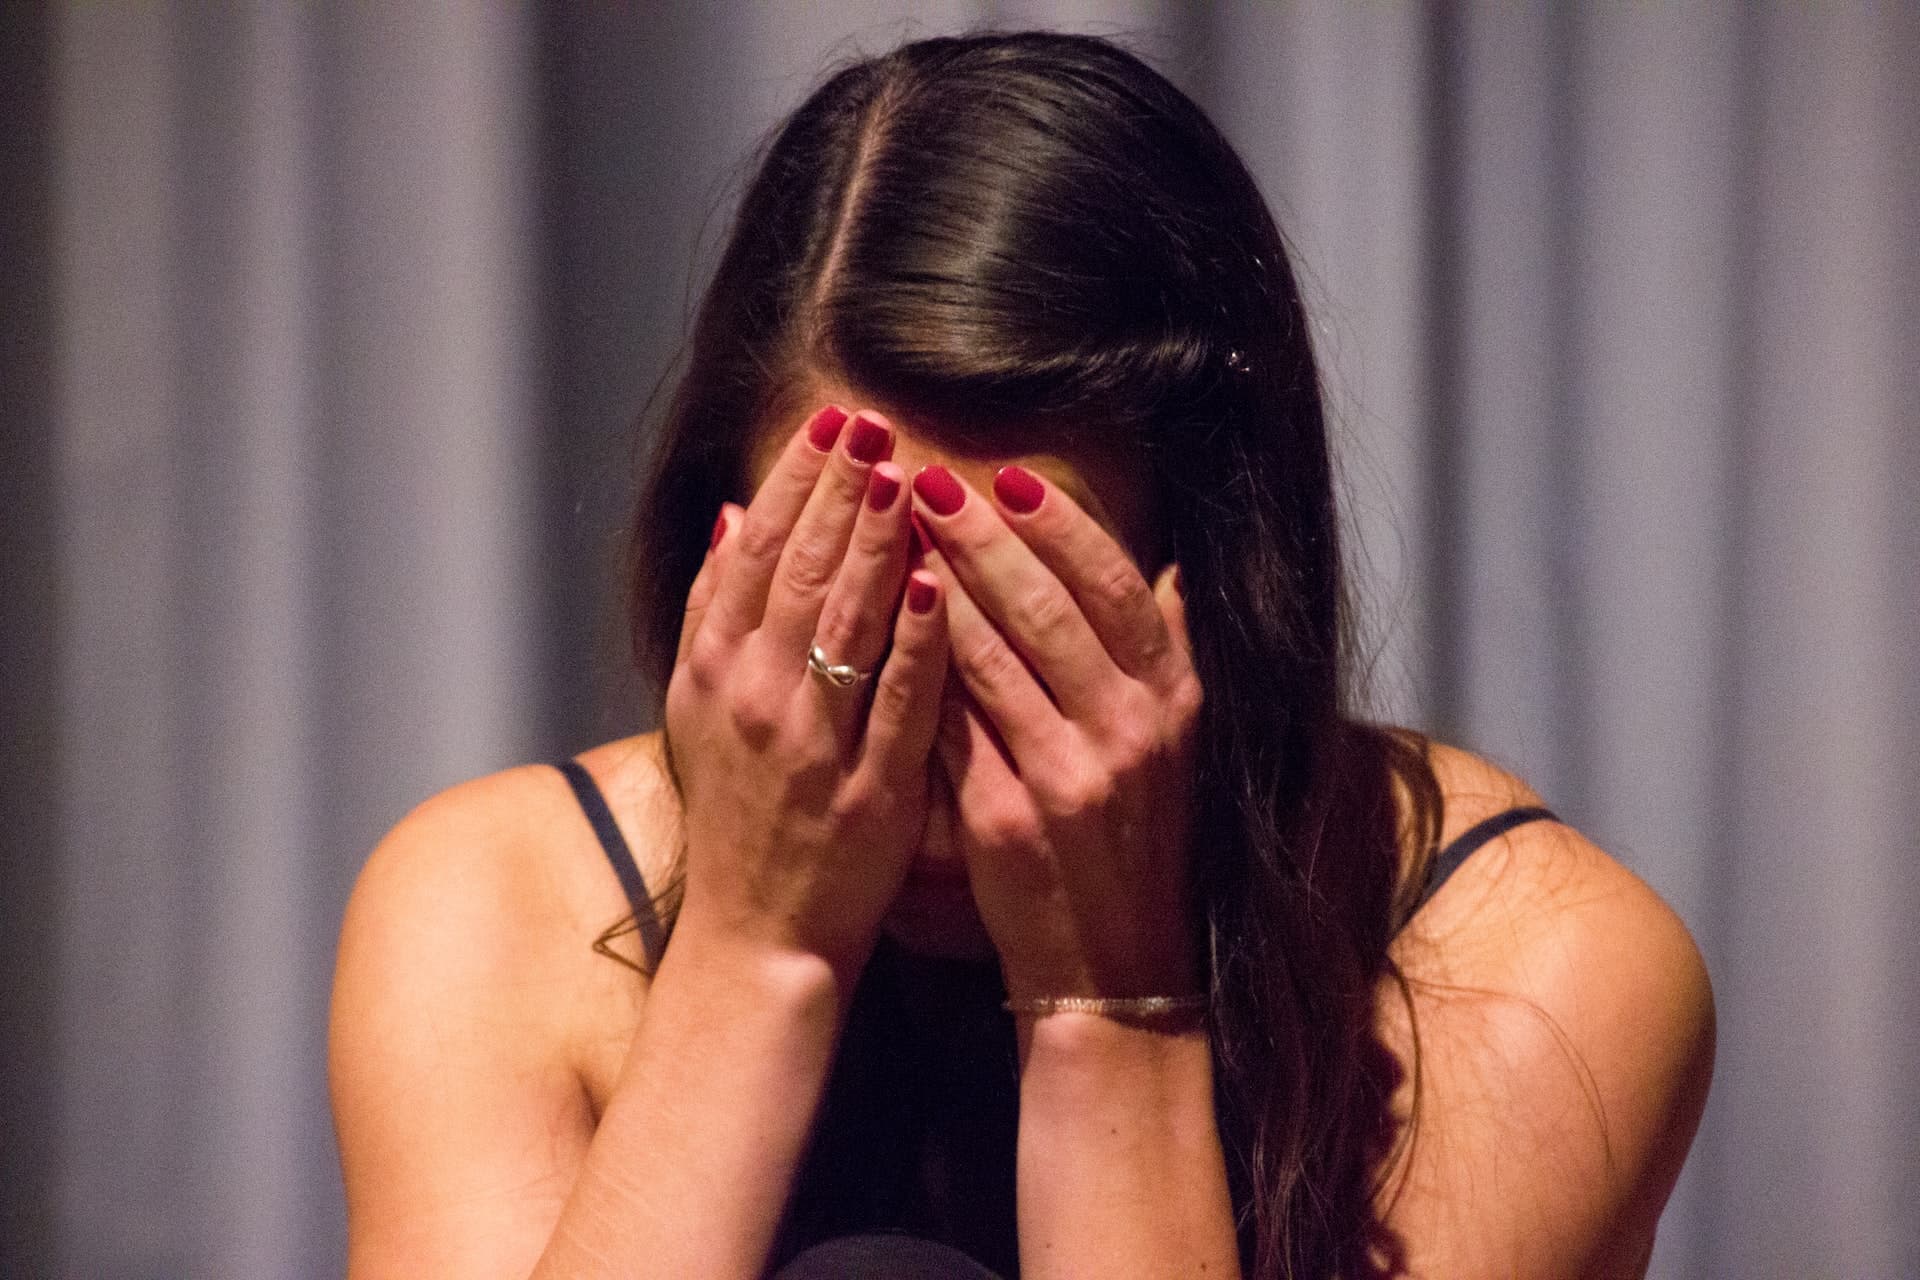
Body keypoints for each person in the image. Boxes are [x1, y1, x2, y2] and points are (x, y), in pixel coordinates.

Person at [328, 30, 1714, 1280]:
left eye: (1024, 639)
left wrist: (1112, 1008)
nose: (923, 736)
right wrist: (753, 957)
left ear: (1223, 593)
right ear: (723, 557)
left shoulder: (1538, 965)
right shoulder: (491, 906)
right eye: (855, 621)